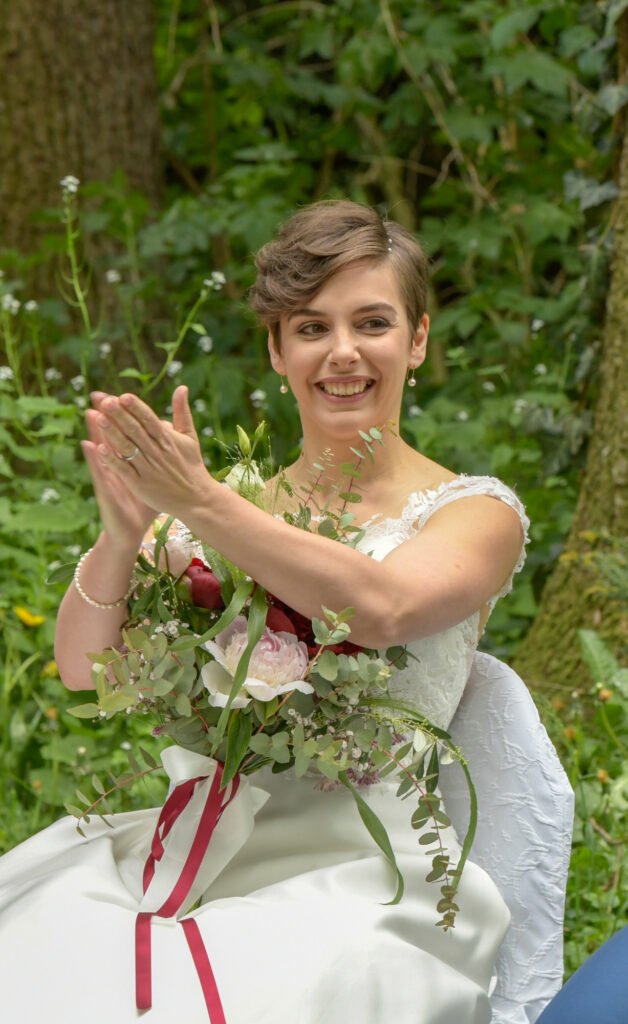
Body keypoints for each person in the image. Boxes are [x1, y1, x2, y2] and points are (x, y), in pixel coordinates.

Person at [0, 200, 531, 1023]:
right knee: (44, 951)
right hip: (207, 840)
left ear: (417, 340)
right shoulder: (223, 505)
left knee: (290, 988)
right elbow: (81, 669)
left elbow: (381, 609)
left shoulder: (473, 512)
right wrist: (121, 537)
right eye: (311, 328)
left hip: (368, 866)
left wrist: (204, 505)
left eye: (373, 322)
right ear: (278, 351)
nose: (343, 352)